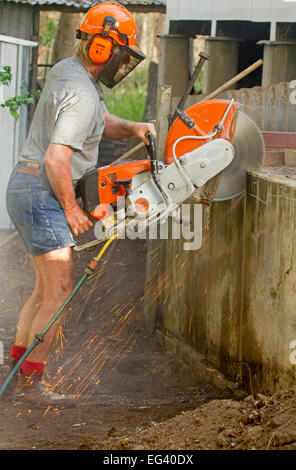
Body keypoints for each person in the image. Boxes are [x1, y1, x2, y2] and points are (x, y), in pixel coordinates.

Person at [5, 2, 156, 406]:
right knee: (60, 288)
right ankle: (32, 388)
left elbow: (100, 121)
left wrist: (136, 128)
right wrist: (72, 210)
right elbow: (57, 158)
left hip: (26, 186)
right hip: (42, 190)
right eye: (119, 52)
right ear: (102, 48)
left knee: (44, 290)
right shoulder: (80, 91)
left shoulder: (71, 74)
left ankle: (20, 377)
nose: (120, 62)